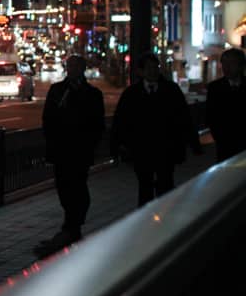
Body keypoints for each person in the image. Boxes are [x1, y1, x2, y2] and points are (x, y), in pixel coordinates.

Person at [34, 54, 105, 257]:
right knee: (63, 186)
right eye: (70, 66)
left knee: (79, 185)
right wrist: (51, 141)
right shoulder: (58, 90)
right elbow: (48, 118)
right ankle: (71, 222)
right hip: (61, 148)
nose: (72, 69)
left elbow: (97, 123)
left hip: (81, 149)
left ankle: (73, 223)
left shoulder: (92, 93)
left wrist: (92, 144)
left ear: (83, 69)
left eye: (76, 66)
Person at [111, 51, 203, 207]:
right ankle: (146, 219)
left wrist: (193, 144)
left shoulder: (171, 90)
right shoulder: (131, 94)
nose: (153, 71)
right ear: (141, 71)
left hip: (166, 148)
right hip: (141, 149)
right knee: (144, 186)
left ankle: (163, 218)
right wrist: (117, 147)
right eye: (148, 68)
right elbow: (121, 122)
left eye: (155, 68)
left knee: (165, 185)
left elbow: (184, 118)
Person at [205, 48, 246, 163]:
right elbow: (211, 115)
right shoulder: (215, 88)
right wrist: (219, 138)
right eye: (224, 63)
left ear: (241, 65)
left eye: (231, 63)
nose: (226, 67)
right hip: (224, 144)